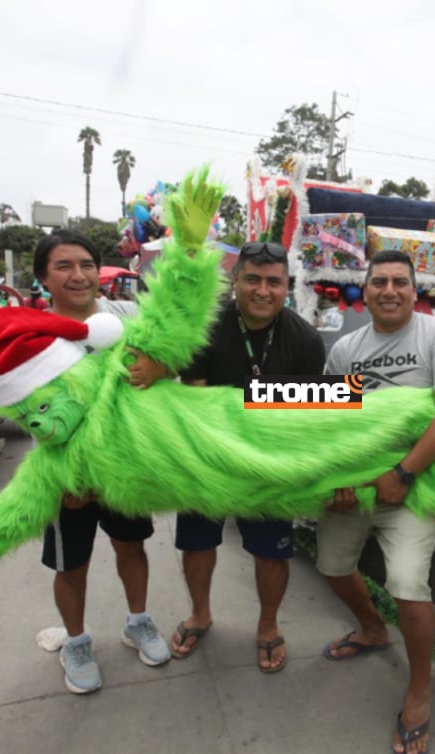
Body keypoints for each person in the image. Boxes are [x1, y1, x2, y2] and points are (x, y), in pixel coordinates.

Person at [318, 249, 435, 754]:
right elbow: (335, 423)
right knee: (332, 566)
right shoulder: (346, 349)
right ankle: (371, 628)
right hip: (358, 486)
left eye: (399, 282)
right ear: (364, 289)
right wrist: (341, 480)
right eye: (379, 281)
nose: (389, 290)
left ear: (414, 289)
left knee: (410, 584)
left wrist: (404, 474)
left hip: (414, 484)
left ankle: (420, 691)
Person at [169, 241, 325, 674]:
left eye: (273, 282)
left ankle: (269, 624)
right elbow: (194, 402)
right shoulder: (205, 327)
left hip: (269, 464)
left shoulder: (307, 340)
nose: (262, 290)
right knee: (197, 542)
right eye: (252, 279)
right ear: (234, 281)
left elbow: (310, 415)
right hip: (208, 459)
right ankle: (200, 613)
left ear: (287, 287)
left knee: (273, 552)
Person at [33, 229, 173, 693]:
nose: (78, 275)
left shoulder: (127, 314)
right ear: (43, 279)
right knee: (70, 565)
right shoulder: (34, 335)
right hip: (65, 475)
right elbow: (29, 409)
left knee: (132, 548)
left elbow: (174, 359)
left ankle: (138, 622)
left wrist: (159, 367)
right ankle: (76, 642)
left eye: (86, 265)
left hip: (125, 467)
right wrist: (67, 476)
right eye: (64, 266)